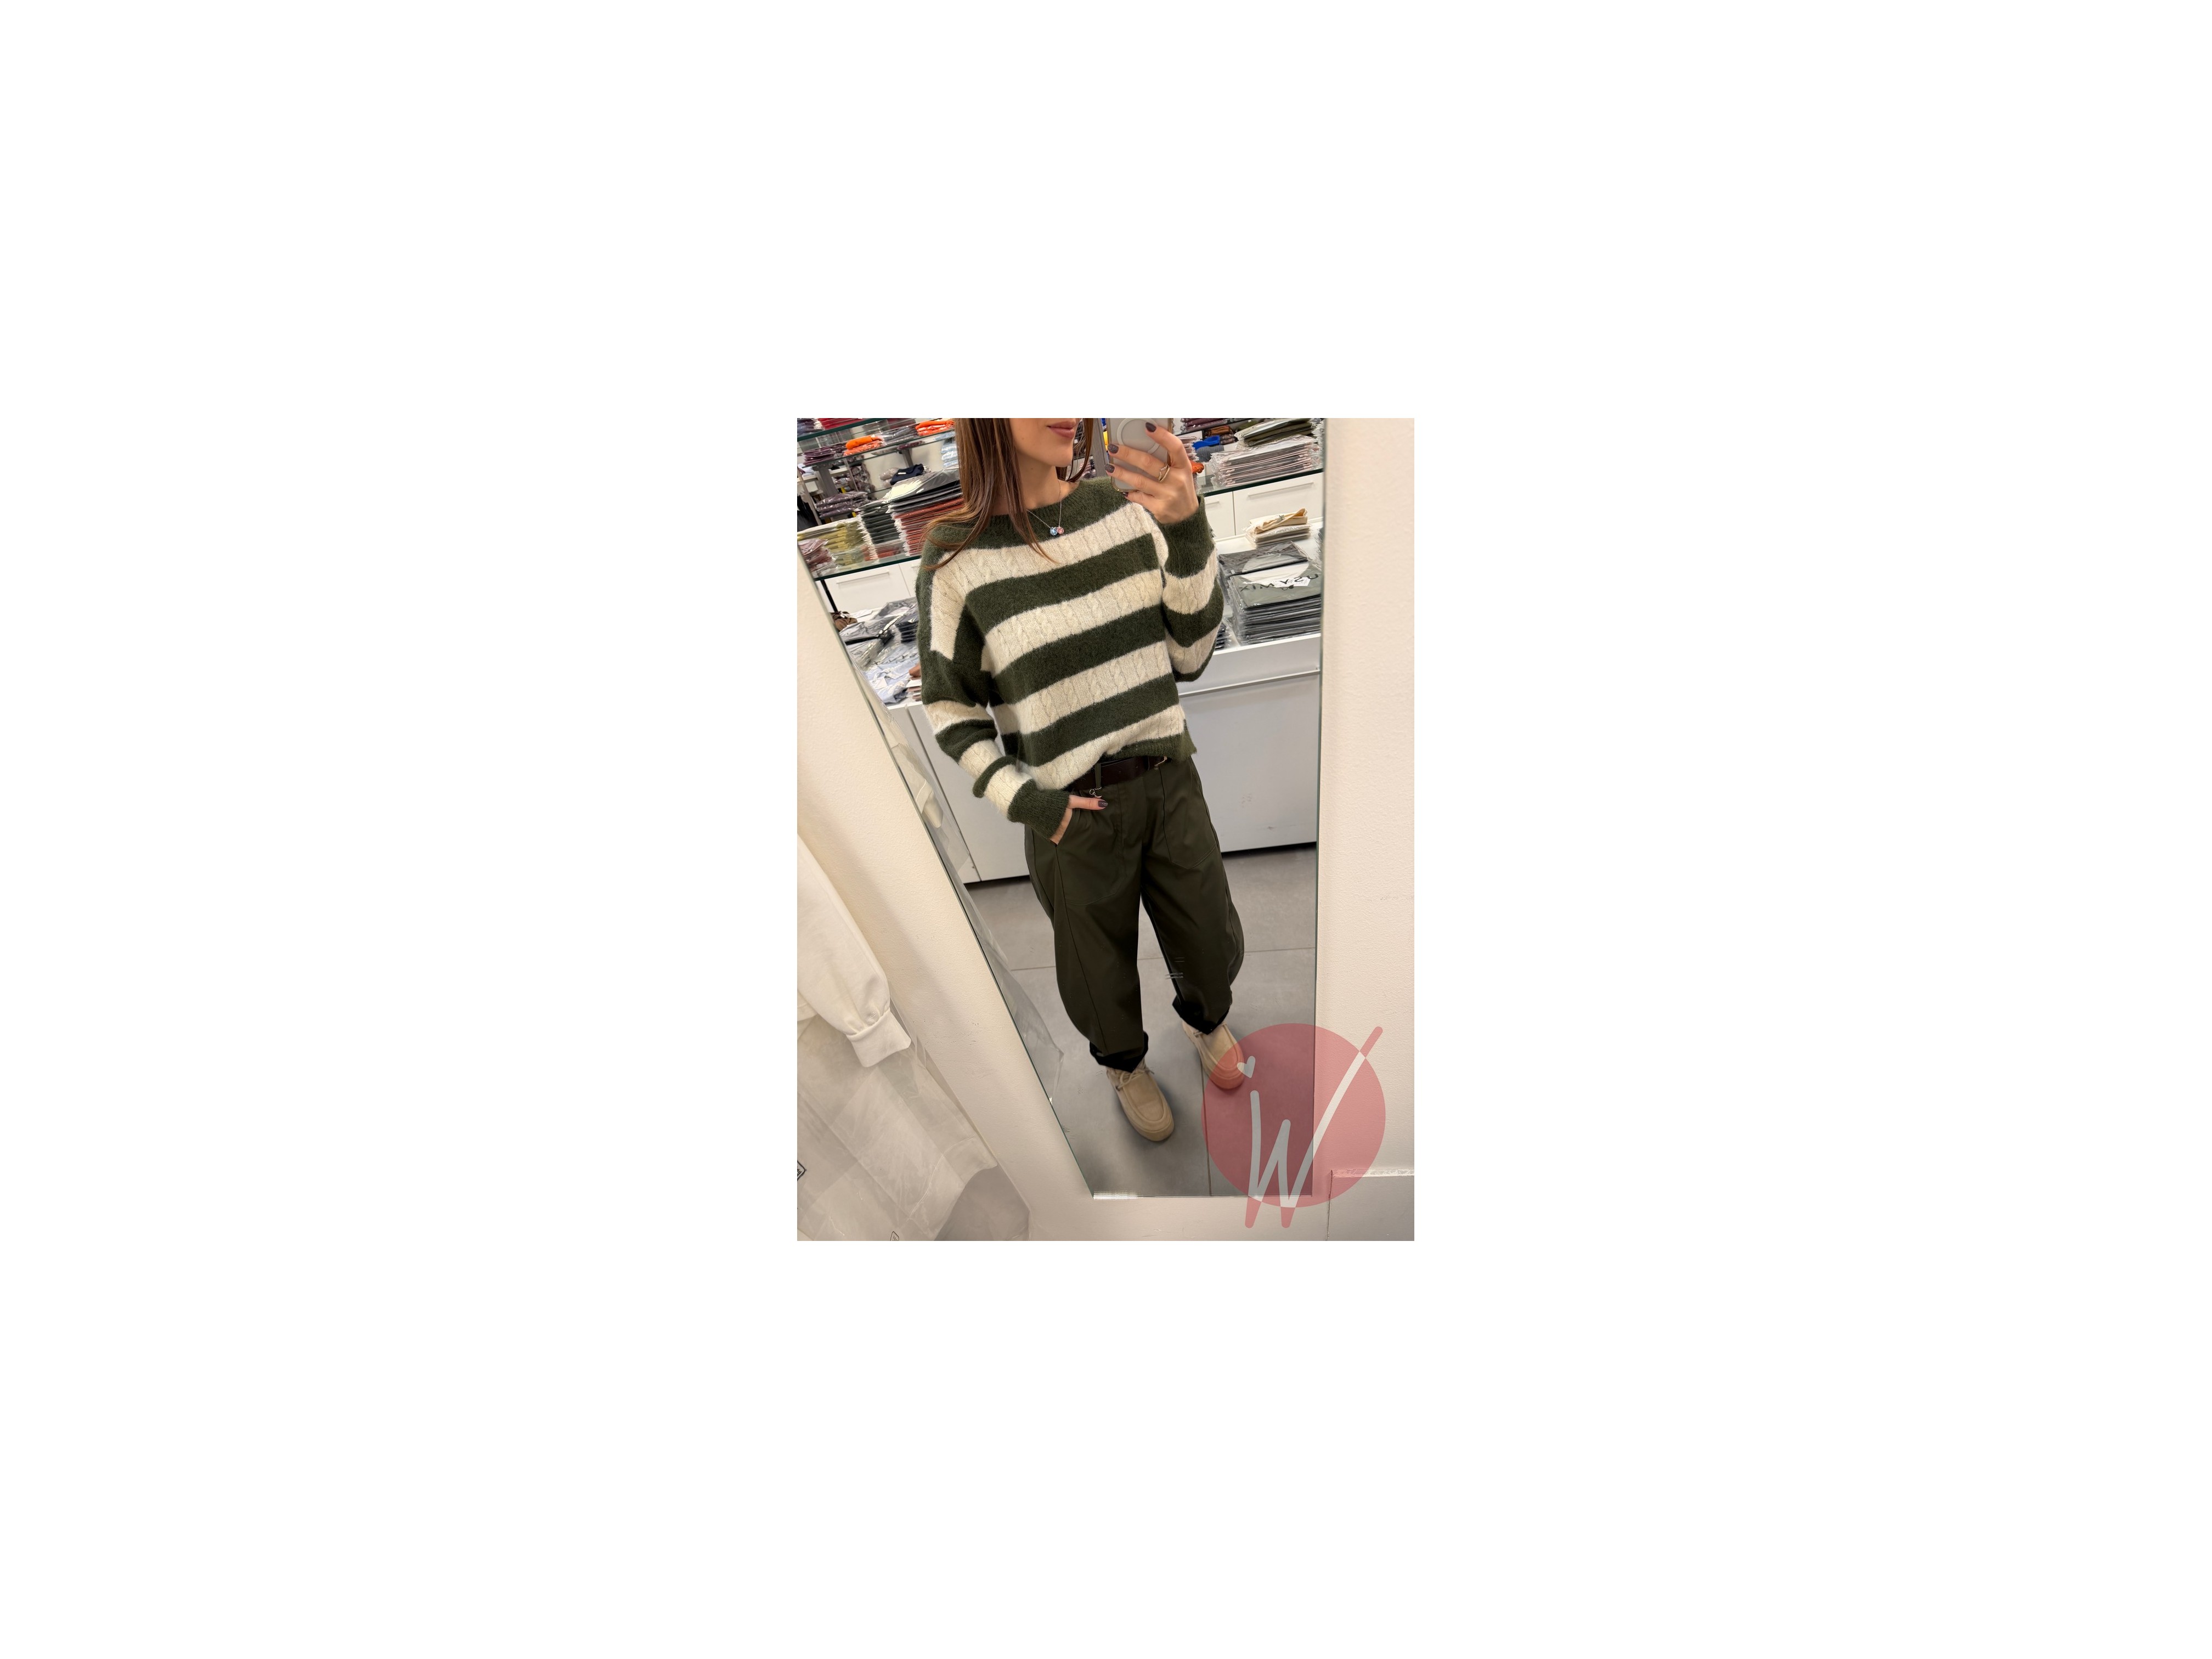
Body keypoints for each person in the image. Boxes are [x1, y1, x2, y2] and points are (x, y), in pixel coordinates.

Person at [913, 419, 1246, 1143]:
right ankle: (1124, 1065)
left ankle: (1205, 1020)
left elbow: (1190, 659)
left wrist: (1188, 531)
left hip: (1168, 778)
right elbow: (949, 708)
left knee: (1208, 937)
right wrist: (1028, 802)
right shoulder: (955, 558)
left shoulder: (1126, 508)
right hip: (1071, 812)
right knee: (1097, 974)